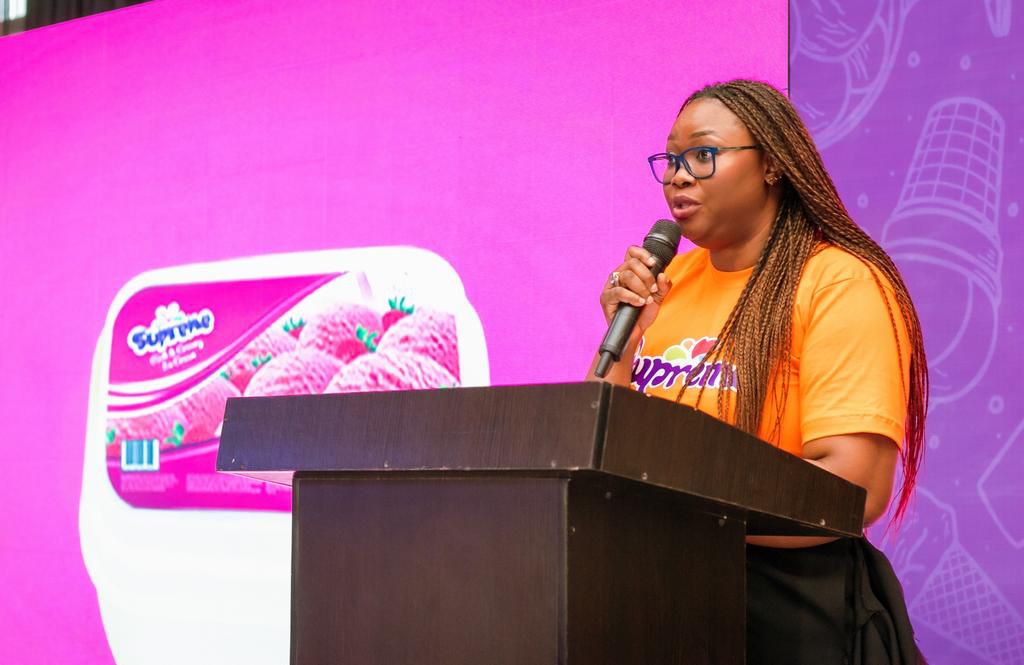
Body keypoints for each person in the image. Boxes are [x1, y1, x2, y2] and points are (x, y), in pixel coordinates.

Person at [587, 79, 928, 664]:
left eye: (702, 153)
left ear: (771, 164)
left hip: (793, 612)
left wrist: (678, 517)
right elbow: (611, 449)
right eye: (670, 159)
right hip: (667, 601)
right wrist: (626, 338)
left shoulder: (839, 282)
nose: (678, 175)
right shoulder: (668, 287)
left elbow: (853, 488)